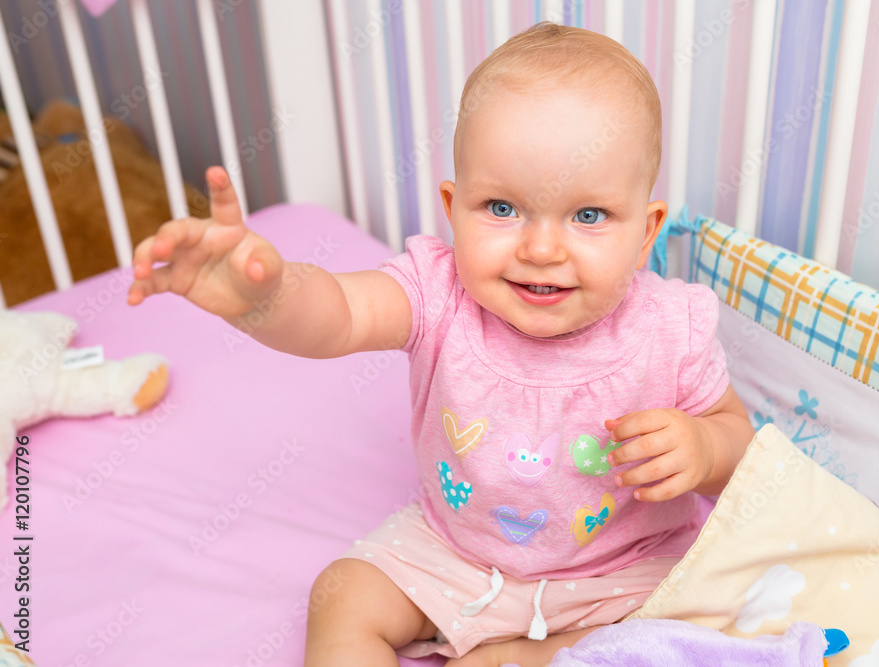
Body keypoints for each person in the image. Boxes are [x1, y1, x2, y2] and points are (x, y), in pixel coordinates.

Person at [128, 21, 754, 667]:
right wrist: (268, 296)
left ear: (645, 229)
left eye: (588, 216)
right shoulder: (437, 292)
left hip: (623, 573)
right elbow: (339, 313)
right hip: (456, 549)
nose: (541, 249)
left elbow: (739, 443)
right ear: (453, 209)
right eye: (502, 208)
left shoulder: (670, 327)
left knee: (684, 626)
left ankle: (524, 654)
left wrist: (704, 446)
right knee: (342, 594)